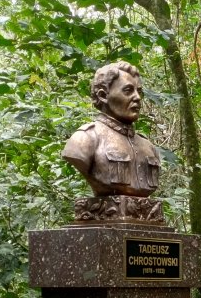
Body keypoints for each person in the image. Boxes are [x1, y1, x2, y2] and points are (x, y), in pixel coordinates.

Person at [61, 61, 162, 198]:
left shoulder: (148, 146)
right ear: (103, 96)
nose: (137, 98)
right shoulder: (86, 138)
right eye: (128, 90)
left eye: (139, 91)